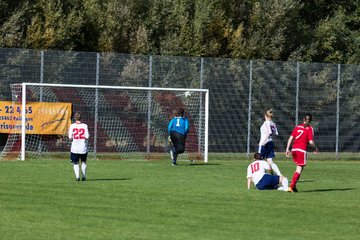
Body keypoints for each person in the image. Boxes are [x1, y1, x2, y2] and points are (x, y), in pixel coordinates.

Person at [285, 113, 318, 192]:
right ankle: (291, 187)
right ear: (310, 121)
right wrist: (315, 147)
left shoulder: (297, 127)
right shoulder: (310, 128)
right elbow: (310, 141)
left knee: (298, 168)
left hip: (294, 150)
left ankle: (294, 186)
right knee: (299, 169)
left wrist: (287, 149)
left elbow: (291, 138)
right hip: (301, 150)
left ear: (303, 119)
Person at [258, 109, 282, 176]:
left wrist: (263, 141)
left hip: (264, 144)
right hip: (270, 143)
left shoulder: (266, 123)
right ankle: (279, 175)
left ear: (265, 115)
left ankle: (262, 176)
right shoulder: (273, 123)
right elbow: (275, 133)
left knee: (259, 161)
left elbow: (269, 132)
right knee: (270, 161)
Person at [68, 111, 89, 181]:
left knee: (75, 163)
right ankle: (83, 176)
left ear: (74, 118)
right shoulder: (85, 126)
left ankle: (77, 177)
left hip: (75, 148)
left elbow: (70, 138)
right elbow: (87, 136)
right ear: (81, 118)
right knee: (83, 162)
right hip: (83, 148)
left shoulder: (72, 126)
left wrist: (73, 140)